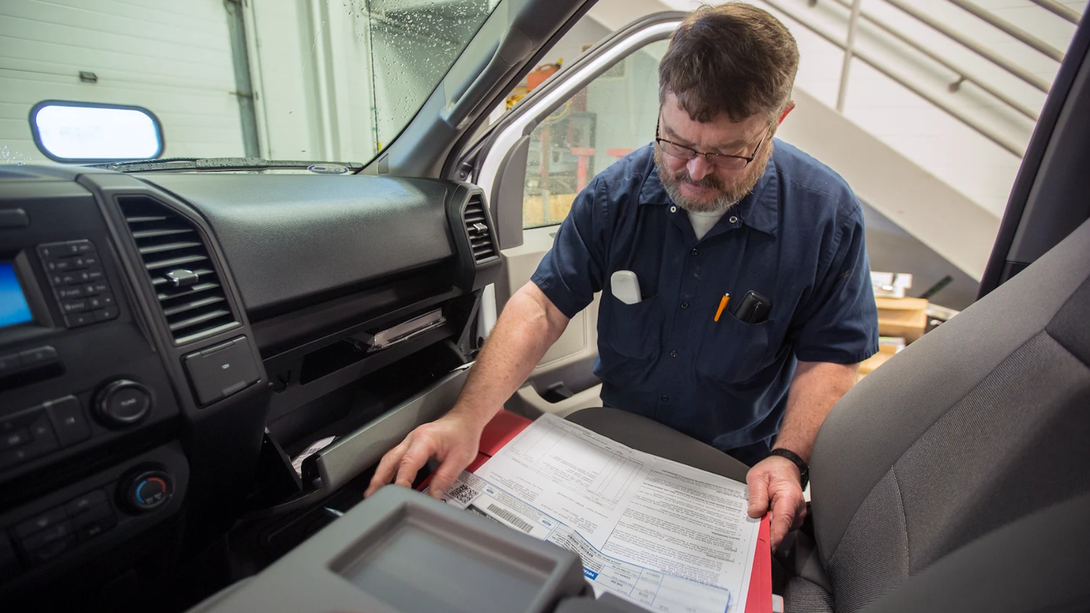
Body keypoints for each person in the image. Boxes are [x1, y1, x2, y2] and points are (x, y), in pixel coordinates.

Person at [366, 2, 879, 550]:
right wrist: (467, 418)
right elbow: (542, 306)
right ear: (662, 103)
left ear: (777, 121)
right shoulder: (614, 196)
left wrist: (789, 458)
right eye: (677, 142)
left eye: (729, 152)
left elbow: (831, 356)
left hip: (736, 466)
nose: (696, 171)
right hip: (618, 448)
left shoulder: (825, 215)